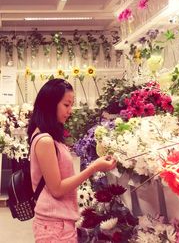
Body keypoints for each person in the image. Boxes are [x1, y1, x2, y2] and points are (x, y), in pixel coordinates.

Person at [27, 78, 116, 243]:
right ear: (50, 104)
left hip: (59, 221)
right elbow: (57, 189)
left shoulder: (47, 135)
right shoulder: (45, 140)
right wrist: (93, 168)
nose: (70, 110)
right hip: (54, 224)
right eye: (66, 105)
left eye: (71, 105)